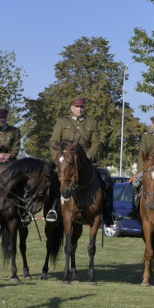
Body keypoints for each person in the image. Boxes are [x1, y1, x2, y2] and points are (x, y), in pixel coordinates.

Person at [46, 97, 113, 226]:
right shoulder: (61, 122)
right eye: (77, 107)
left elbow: (96, 142)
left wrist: (89, 155)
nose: (80, 109)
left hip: (86, 163)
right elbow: (53, 142)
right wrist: (59, 159)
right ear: (72, 108)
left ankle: (108, 214)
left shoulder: (91, 123)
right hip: (66, 162)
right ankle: (52, 209)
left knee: (106, 180)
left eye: (82, 107)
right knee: (53, 180)